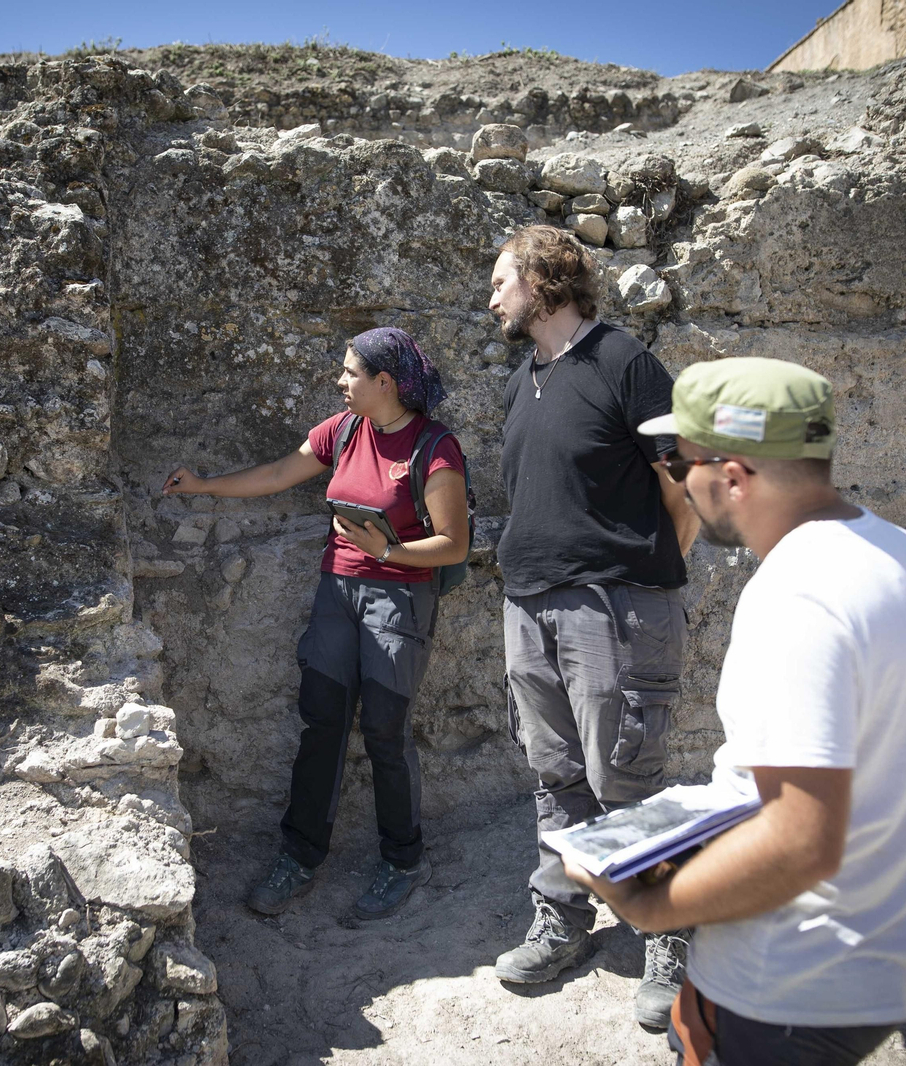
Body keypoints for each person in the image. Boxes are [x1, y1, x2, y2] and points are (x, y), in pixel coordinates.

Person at [563, 356, 906, 1066]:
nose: (677, 480)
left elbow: (802, 838)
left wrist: (653, 909)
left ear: (733, 474)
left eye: (675, 458)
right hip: (877, 965)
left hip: (785, 985)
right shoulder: (902, 554)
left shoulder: (798, 595)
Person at [163, 327, 469, 920]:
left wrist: (388, 552)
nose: (341, 381)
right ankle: (299, 857)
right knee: (321, 723)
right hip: (337, 591)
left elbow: (453, 545)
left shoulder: (434, 447)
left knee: (385, 731)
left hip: (399, 601)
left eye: (351, 373)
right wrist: (204, 486)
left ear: (386, 383)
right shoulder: (344, 429)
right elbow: (279, 473)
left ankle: (403, 861)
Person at [487, 224, 701, 1026]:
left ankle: (668, 936)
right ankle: (564, 922)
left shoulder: (625, 363)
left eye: (502, 281)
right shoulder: (521, 381)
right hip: (529, 603)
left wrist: (649, 584)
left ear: (543, 282)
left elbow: (683, 484)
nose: (493, 298)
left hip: (613, 607)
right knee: (555, 775)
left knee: (625, 780)